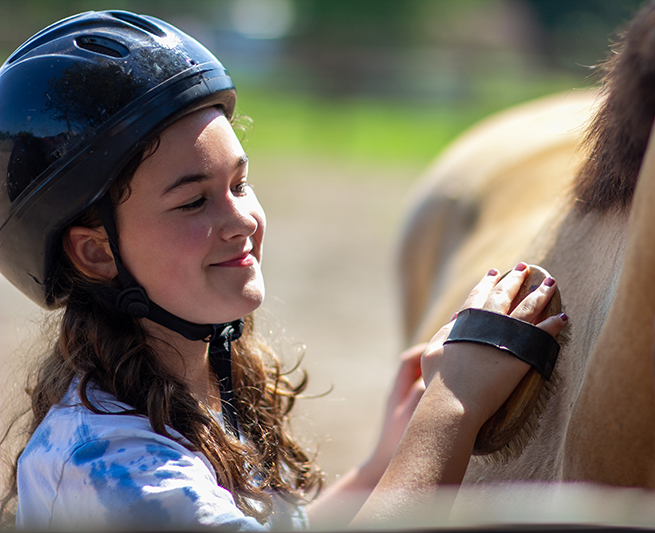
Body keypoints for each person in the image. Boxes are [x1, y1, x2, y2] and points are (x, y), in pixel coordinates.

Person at [0, 10, 567, 530]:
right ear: (96, 252)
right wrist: (452, 408)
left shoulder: (191, 390)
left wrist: (379, 465)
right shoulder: (120, 476)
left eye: (239, 184)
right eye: (193, 202)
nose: (241, 219)